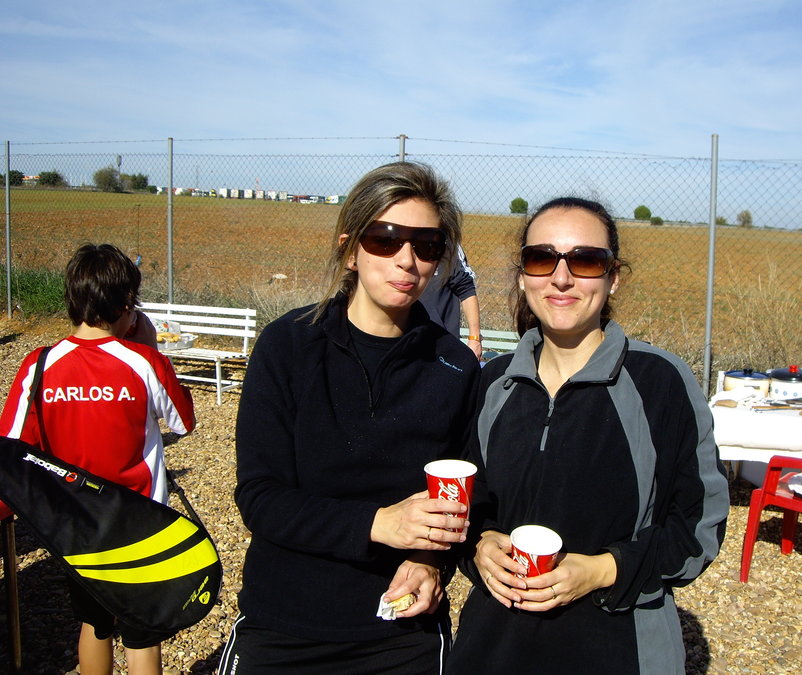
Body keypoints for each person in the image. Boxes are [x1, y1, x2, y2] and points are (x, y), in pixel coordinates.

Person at [448, 197, 729, 674]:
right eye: (542, 258)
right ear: (523, 276)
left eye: (586, 260)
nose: (561, 278)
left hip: (618, 647)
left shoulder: (660, 382)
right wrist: (479, 544)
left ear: (613, 276)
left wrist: (602, 570)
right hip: (494, 647)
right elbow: (469, 504)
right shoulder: (493, 382)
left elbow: (699, 529)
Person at [219, 162, 480, 673]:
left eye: (428, 245)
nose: (407, 259)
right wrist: (380, 523)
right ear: (349, 250)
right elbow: (260, 497)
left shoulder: (454, 367)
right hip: (283, 623)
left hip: (400, 630)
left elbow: (465, 500)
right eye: (386, 238)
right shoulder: (288, 346)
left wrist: (431, 561)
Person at [0, 243, 196, 675]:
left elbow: (10, 445)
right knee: (143, 634)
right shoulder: (144, 361)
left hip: (76, 523)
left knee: (94, 623)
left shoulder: (39, 364)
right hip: (142, 521)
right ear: (127, 303)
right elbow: (183, 422)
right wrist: (151, 349)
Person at [418, 244, 484, 360]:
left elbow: (466, 290)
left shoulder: (449, 244)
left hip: (442, 348)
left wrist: (475, 339)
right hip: (401, 344)